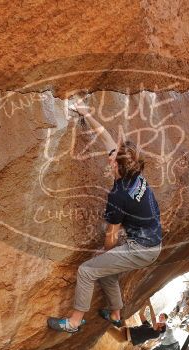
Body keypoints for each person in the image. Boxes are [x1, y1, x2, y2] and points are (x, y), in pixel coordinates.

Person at [47, 103, 163, 334]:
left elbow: (111, 234)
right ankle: (116, 315)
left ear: (120, 167)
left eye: (112, 161)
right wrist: (87, 114)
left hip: (140, 248)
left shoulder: (118, 195)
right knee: (107, 272)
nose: (109, 160)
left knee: (88, 270)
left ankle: (73, 322)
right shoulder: (136, 175)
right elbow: (107, 139)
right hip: (152, 243)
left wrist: (106, 251)